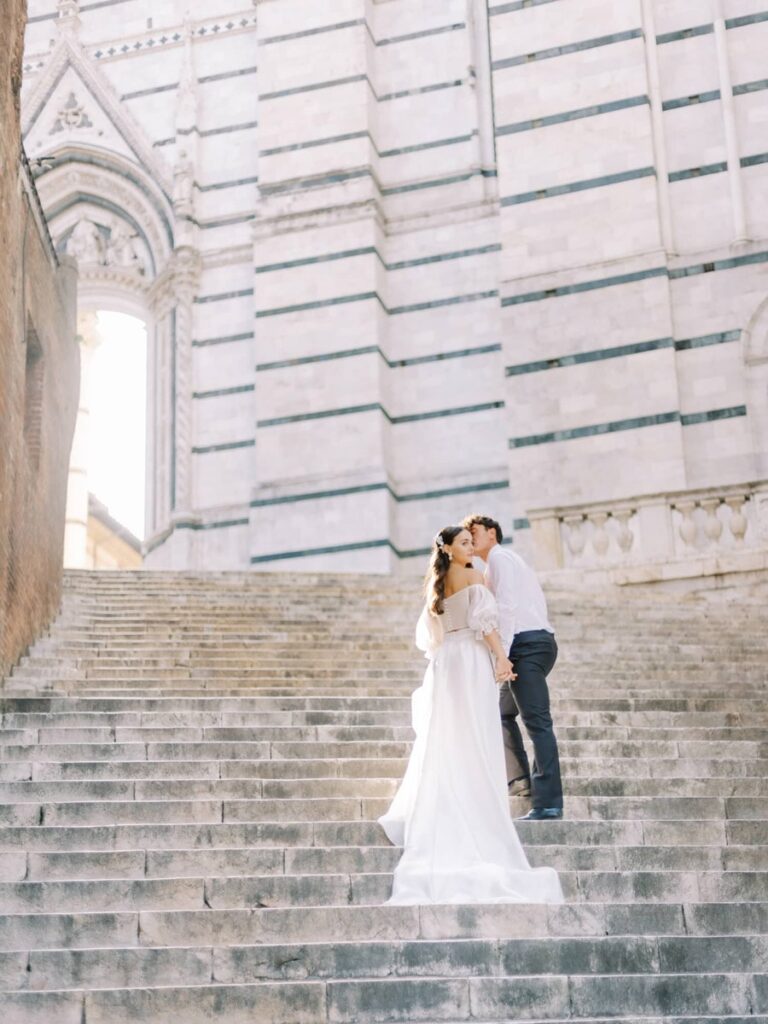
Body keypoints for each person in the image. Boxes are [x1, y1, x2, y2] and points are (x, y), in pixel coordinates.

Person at [378, 526, 563, 905]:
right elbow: (487, 624)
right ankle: (479, 802)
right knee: (477, 733)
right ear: (447, 548)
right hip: (473, 660)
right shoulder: (474, 575)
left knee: (451, 733)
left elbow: (429, 637)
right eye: (463, 543)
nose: (470, 547)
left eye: (470, 541)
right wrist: (502, 657)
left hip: (447, 662)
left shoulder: (438, 581)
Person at [464, 514, 564, 821]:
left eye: (475, 532)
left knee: (537, 722)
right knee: (501, 714)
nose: (471, 538)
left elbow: (506, 608)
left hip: (527, 645)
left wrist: (502, 657)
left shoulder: (501, 558)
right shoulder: (494, 564)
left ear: (492, 533)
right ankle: (521, 781)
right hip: (529, 643)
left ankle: (548, 803)